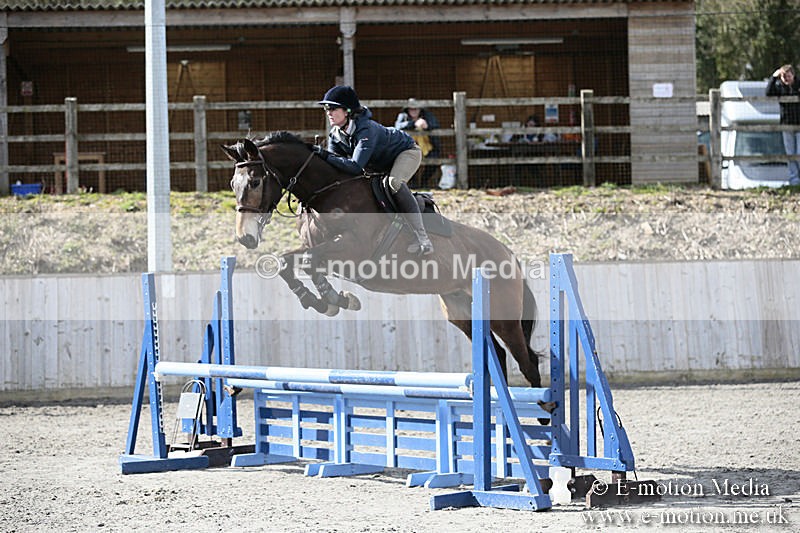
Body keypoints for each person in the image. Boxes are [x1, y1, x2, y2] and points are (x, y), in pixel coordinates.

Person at [315, 85, 433, 255]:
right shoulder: (335, 135)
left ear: (347, 111)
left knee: (393, 183)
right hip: (378, 163)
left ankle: (423, 238)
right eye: (326, 109)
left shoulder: (366, 129)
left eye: (333, 108)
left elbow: (355, 167)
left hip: (405, 152)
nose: (328, 112)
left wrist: (324, 155)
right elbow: (336, 166)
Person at [394, 98, 441, 188]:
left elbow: (436, 124)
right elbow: (398, 126)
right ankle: (413, 183)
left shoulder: (427, 115)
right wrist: (413, 124)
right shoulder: (402, 116)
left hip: (427, 147)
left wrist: (427, 125)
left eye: (416, 109)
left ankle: (424, 181)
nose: (414, 111)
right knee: (403, 162)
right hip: (408, 148)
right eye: (411, 109)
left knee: (435, 160)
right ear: (407, 110)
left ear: (420, 109)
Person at [766, 64, 800, 185]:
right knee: (790, 154)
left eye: (788, 76)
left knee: (799, 152)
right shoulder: (779, 87)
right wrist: (773, 77)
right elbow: (768, 93)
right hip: (786, 124)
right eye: (783, 76)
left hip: (799, 124)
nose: (786, 79)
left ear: (793, 75)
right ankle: (794, 180)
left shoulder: (798, 85)